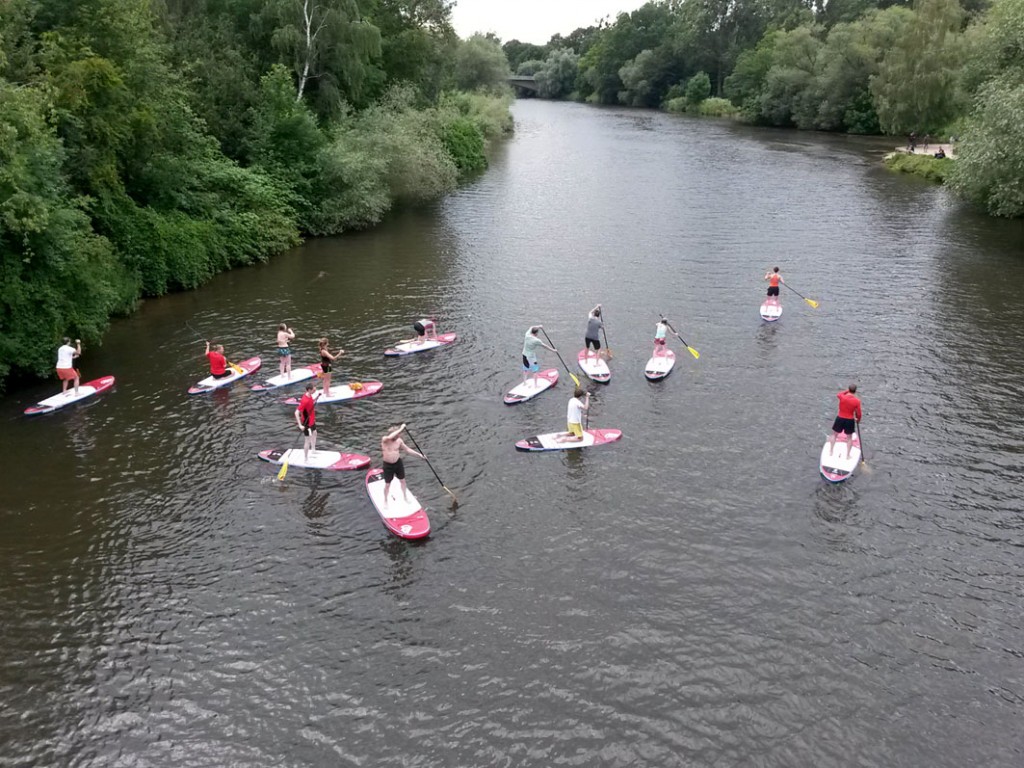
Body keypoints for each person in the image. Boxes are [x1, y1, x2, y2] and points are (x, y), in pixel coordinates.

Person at [380, 424, 425, 508]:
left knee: (403, 481)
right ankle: (385, 500)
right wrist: (401, 428)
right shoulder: (385, 439)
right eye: (397, 434)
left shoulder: (399, 441)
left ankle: (405, 497)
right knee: (387, 484)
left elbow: (407, 450)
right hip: (388, 465)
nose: (399, 436)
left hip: (397, 463)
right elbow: (390, 437)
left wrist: (420, 455)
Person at [827, 384, 862, 460]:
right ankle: (848, 455)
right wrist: (858, 420)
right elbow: (859, 413)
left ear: (849, 389)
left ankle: (831, 451)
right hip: (849, 420)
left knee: (834, 435)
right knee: (849, 438)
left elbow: (839, 394)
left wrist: (847, 391)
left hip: (840, 418)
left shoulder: (842, 397)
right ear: (855, 391)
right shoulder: (857, 401)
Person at [294, 382, 319, 462]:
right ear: (309, 390)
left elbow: (310, 404)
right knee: (307, 440)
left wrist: (316, 397)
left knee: (314, 433)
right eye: (313, 389)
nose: (315, 390)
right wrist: (300, 425)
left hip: (311, 420)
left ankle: (313, 450)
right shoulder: (304, 400)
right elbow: (296, 412)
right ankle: (305, 458)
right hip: (306, 423)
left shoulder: (309, 395)